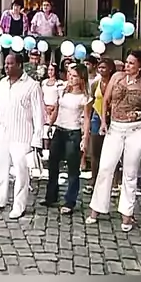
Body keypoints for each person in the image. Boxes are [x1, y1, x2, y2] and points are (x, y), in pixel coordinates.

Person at [87, 50, 141, 232]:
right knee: (105, 167)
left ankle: (127, 213)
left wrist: (139, 114)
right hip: (115, 128)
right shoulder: (117, 77)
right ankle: (96, 208)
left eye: (132, 63)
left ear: (140, 66)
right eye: (127, 62)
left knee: (130, 172)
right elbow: (105, 100)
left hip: (136, 130)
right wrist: (104, 122)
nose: (127, 65)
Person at [0, 52, 44, 219]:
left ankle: (19, 205)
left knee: (21, 171)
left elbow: (39, 115)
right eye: (6, 64)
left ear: (19, 65)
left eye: (10, 64)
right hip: (2, 132)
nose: (6, 67)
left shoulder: (32, 86)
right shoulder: (3, 83)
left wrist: (37, 139)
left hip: (22, 136)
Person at [41, 64, 91, 214]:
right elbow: (57, 109)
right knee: (53, 163)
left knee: (72, 168)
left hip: (73, 132)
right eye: (70, 75)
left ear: (81, 78)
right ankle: (51, 196)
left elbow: (87, 118)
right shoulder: (63, 91)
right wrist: (50, 124)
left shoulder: (85, 98)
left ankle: (70, 200)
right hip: (59, 130)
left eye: (75, 76)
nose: (71, 78)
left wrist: (85, 137)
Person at [87, 57, 117, 194]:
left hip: (113, 118)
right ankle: (94, 180)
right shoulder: (95, 84)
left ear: (110, 69)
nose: (101, 70)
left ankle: (114, 182)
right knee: (95, 151)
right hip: (97, 116)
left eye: (104, 67)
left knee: (113, 152)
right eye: (99, 67)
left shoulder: (116, 83)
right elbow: (91, 101)